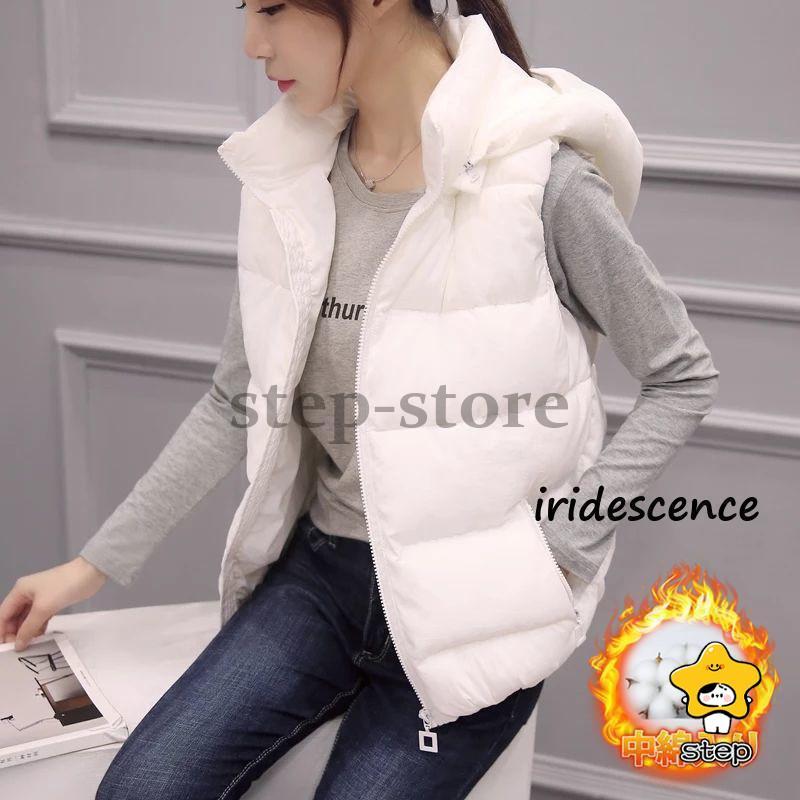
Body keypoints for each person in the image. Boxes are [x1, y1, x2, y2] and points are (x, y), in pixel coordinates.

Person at [0, 2, 719, 798]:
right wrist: (90, 567)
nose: (253, 43)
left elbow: (682, 376)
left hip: (477, 603)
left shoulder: (537, 176)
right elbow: (236, 400)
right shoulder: (290, 175)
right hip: (322, 578)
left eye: (273, 8)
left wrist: (557, 549)